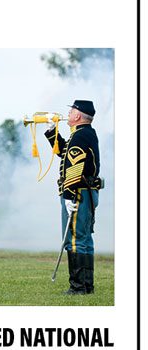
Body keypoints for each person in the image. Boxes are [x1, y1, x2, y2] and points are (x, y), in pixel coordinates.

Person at [45, 99, 101, 294]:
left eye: (71, 112)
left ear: (78, 116)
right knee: (84, 239)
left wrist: (68, 196)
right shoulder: (83, 134)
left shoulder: (80, 136)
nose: (68, 114)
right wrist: (52, 132)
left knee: (75, 239)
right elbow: (64, 153)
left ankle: (78, 287)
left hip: (77, 192)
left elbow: (74, 168)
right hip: (84, 191)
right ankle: (86, 286)